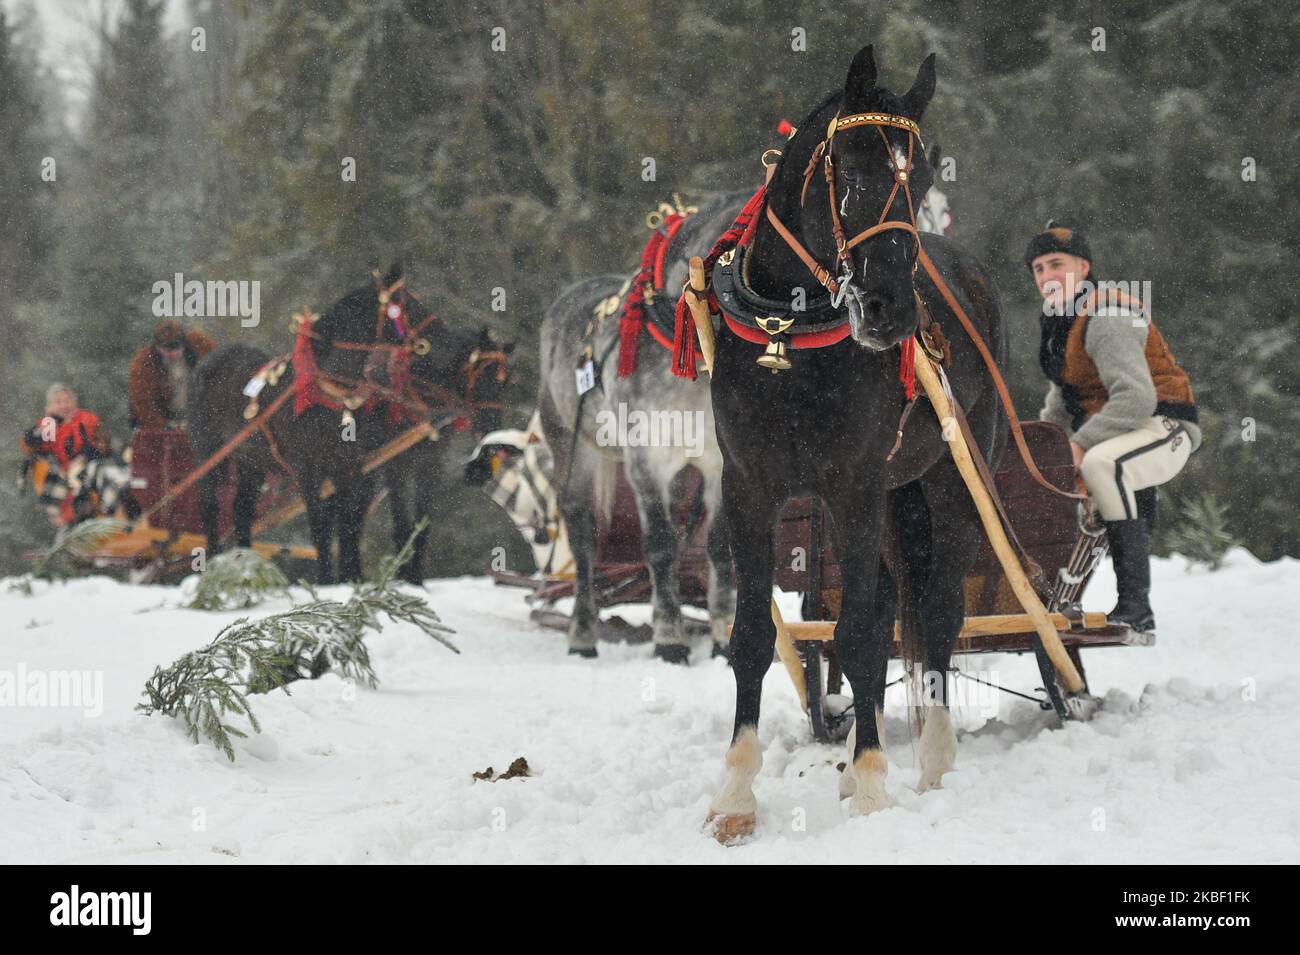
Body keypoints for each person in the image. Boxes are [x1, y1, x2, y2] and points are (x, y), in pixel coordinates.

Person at [1026, 220, 1201, 634]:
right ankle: (1055, 604)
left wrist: (1078, 445)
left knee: (1103, 464)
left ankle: (1136, 609)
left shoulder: (1106, 314)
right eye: (1038, 269)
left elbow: (1137, 400)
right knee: (1048, 475)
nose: (1047, 276)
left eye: (1057, 264)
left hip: (1165, 425)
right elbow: (1059, 402)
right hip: (1119, 432)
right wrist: (1036, 452)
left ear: (1084, 267)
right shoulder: (1059, 323)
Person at [19, 384, 132, 526]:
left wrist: (91, 453)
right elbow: (29, 445)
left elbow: (103, 442)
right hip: (68, 472)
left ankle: (122, 512)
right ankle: (118, 516)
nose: (64, 405)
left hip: (92, 462)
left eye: (67, 401)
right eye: (58, 402)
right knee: (97, 474)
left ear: (74, 402)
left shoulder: (86, 419)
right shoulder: (49, 425)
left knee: (110, 472)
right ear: (50, 406)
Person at [127, 319, 216, 430]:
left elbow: (219, 377)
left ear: (185, 343)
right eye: (166, 350)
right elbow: (142, 402)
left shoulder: (201, 348)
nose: (172, 354)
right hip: (164, 419)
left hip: (199, 415)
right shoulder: (143, 363)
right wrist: (163, 426)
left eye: (176, 348)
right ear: (157, 347)